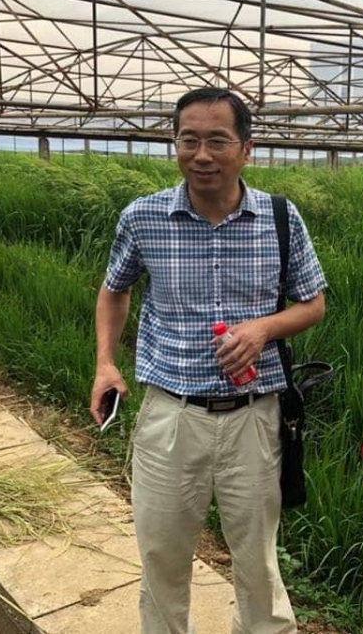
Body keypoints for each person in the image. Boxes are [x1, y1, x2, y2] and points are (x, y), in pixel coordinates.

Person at [89, 87, 326, 634]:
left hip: (253, 416)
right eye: (188, 140)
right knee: (161, 558)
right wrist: (105, 363)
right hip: (171, 415)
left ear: (246, 149)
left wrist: (263, 329)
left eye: (218, 140)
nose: (201, 155)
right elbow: (114, 290)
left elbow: (313, 303)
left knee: (258, 562)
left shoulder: (280, 218)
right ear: (175, 144)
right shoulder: (144, 217)